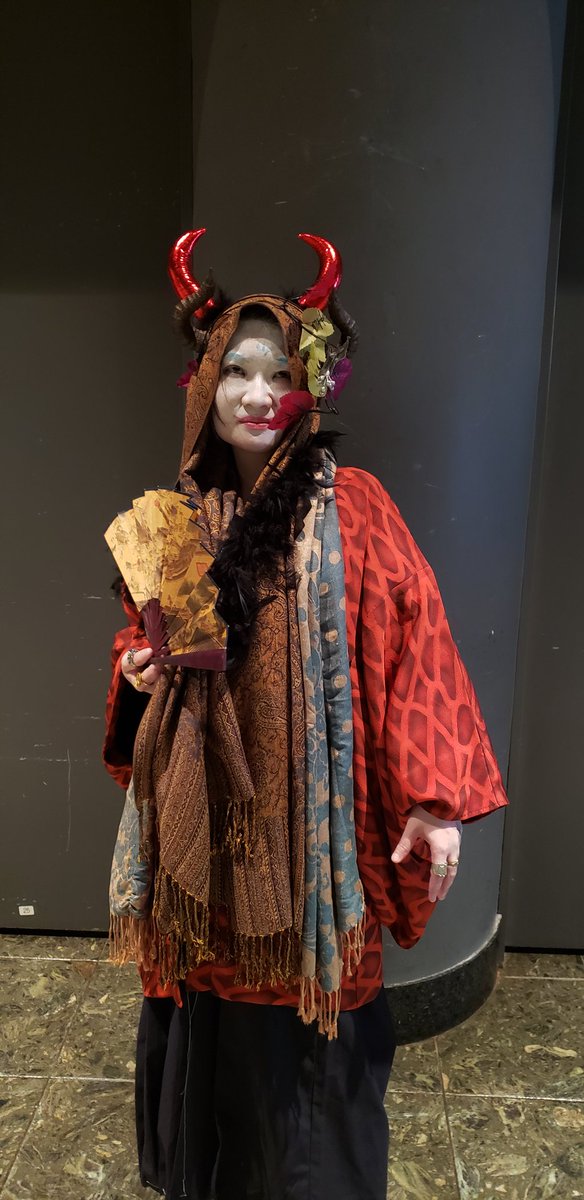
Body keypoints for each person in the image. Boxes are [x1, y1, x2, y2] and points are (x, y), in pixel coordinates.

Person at [103, 229, 508, 1200]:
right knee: (217, 1061)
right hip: (207, 853)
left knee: (313, 1098)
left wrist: (433, 800)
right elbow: (134, 663)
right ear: (204, 384)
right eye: (236, 372)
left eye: (279, 374)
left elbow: (416, 642)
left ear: (309, 387)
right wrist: (138, 677)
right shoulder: (175, 520)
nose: (256, 394)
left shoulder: (354, 506)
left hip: (321, 856)